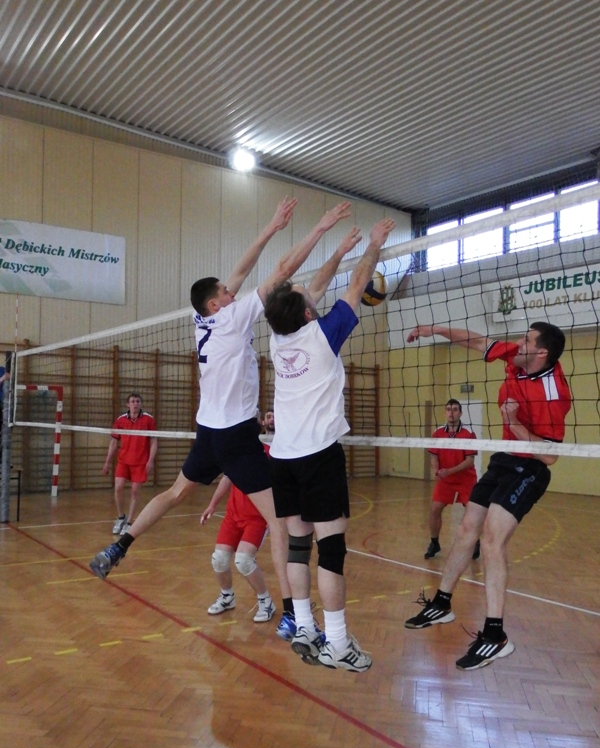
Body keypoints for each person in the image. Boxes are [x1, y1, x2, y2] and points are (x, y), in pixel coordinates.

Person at [89, 197, 352, 637]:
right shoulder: (234, 317)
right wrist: (320, 229)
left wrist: (271, 227)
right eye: (226, 293)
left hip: (207, 431)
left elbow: (240, 270)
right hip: (235, 437)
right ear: (217, 304)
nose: (234, 292)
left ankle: (120, 545)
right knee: (280, 522)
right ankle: (292, 612)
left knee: (175, 492)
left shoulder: (202, 320)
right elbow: (282, 269)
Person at [264, 217, 396, 672]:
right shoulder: (323, 335)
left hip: (282, 458)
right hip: (318, 457)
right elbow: (358, 283)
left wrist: (338, 250)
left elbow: (313, 289)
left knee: (299, 548)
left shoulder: (277, 338)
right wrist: (374, 245)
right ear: (307, 314)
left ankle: (304, 626)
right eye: (307, 299)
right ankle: (337, 643)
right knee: (332, 551)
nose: (311, 294)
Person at [404, 322, 571, 670]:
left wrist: (517, 424)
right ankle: (442, 603)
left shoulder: (554, 393)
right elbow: (476, 340)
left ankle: (496, 636)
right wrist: (433, 329)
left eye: (526, 339)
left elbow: (551, 456)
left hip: (530, 467)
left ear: (541, 352)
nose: (518, 342)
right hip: (504, 458)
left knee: (492, 541)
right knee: (467, 528)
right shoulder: (518, 356)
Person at [200, 466, 276, 622]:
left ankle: (266, 601)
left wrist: (275, 517)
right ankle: (227, 596)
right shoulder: (237, 452)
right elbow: (227, 477)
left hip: (257, 518)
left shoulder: (270, 456)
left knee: (244, 560)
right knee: (219, 559)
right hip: (233, 515)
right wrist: (212, 505)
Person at [425, 399, 480, 561]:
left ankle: (475, 542)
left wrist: (449, 471)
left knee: (472, 512)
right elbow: (434, 456)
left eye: (455, 409)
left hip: (466, 479)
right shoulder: (437, 433)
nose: (451, 412)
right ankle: (434, 543)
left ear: (460, 413)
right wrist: (436, 470)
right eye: (448, 409)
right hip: (445, 480)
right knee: (435, 509)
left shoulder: (468, 433)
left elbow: (469, 461)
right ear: (445, 412)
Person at [103, 393, 157, 535]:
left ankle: (129, 522)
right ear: (128, 404)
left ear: (141, 404)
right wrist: (107, 462)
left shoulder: (148, 420)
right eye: (132, 401)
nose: (135, 404)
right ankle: (121, 517)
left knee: (135, 491)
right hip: (123, 461)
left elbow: (153, 441)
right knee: (118, 488)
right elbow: (114, 442)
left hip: (140, 462)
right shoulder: (121, 420)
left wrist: (150, 460)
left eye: (138, 401)